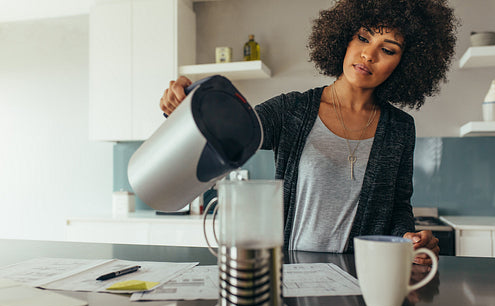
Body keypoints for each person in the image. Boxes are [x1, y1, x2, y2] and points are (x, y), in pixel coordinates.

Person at [159, 0, 458, 265]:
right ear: (345, 37)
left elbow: (398, 207)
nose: (368, 54)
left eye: (388, 49)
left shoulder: (400, 128)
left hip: (363, 278)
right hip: (292, 276)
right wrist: (186, 107)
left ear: (405, 63)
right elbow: (231, 131)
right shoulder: (293, 109)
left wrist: (408, 238)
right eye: (363, 37)